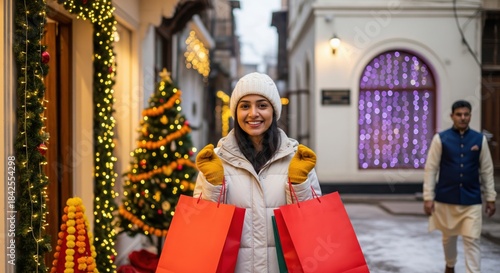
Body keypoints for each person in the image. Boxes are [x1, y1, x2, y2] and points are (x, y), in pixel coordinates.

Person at [194, 72, 322, 272]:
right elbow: (202, 228)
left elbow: (312, 226)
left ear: (274, 111)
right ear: (236, 112)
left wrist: (298, 184)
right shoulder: (215, 161)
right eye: (245, 106)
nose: (253, 113)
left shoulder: (297, 160)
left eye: (262, 105)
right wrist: (214, 186)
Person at [423, 100, 497, 273]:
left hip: (472, 199)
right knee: (448, 239)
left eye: (466, 114)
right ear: (452, 116)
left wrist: (491, 197)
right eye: (459, 114)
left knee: (472, 240)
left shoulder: (479, 140)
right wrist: (428, 197)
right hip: (446, 198)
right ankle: (450, 264)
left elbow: (487, 170)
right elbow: (431, 168)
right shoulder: (441, 139)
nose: (463, 118)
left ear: (470, 116)